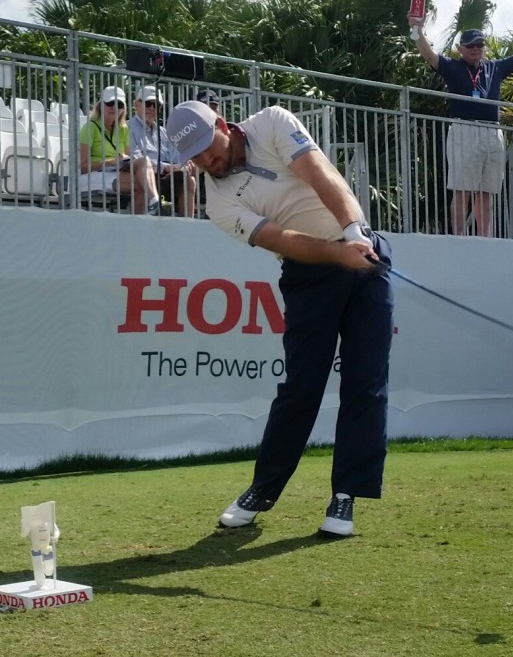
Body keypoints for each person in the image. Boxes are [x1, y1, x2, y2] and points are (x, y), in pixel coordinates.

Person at [165, 100, 393, 538]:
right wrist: (337, 253)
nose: (206, 160)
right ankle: (263, 489)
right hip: (309, 274)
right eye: (194, 157)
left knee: (366, 381)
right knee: (301, 387)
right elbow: (281, 238)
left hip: (363, 248)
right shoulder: (218, 204)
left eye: (208, 146)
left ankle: (346, 493)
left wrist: (352, 231)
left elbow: (319, 172)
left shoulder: (272, 122)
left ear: (222, 123)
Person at [409, 15, 513, 236]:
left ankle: (485, 237)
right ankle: (459, 237)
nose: (476, 49)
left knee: (486, 191)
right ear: (460, 49)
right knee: (462, 189)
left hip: (492, 131)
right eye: (470, 45)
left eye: (479, 45)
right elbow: (429, 54)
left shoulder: (494, 67)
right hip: (464, 130)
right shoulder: (452, 67)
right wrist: (417, 30)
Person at [79, 86, 160, 215]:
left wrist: (125, 162)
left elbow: (127, 156)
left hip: (115, 172)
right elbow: (81, 167)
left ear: (123, 109)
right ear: (101, 105)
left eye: (119, 105)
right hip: (93, 175)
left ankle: (153, 202)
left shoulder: (123, 128)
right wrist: (109, 162)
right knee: (142, 183)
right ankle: (148, 209)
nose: (114, 108)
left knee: (144, 161)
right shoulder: (89, 128)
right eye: (110, 103)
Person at [128, 85, 197, 217]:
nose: (152, 108)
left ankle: (189, 223)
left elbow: (177, 156)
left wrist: (185, 163)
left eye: (156, 105)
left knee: (190, 178)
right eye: (148, 103)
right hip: (144, 176)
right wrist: (166, 167)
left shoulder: (164, 132)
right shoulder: (127, 128)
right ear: (136, 105)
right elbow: (134, 157)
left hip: (163, 176)